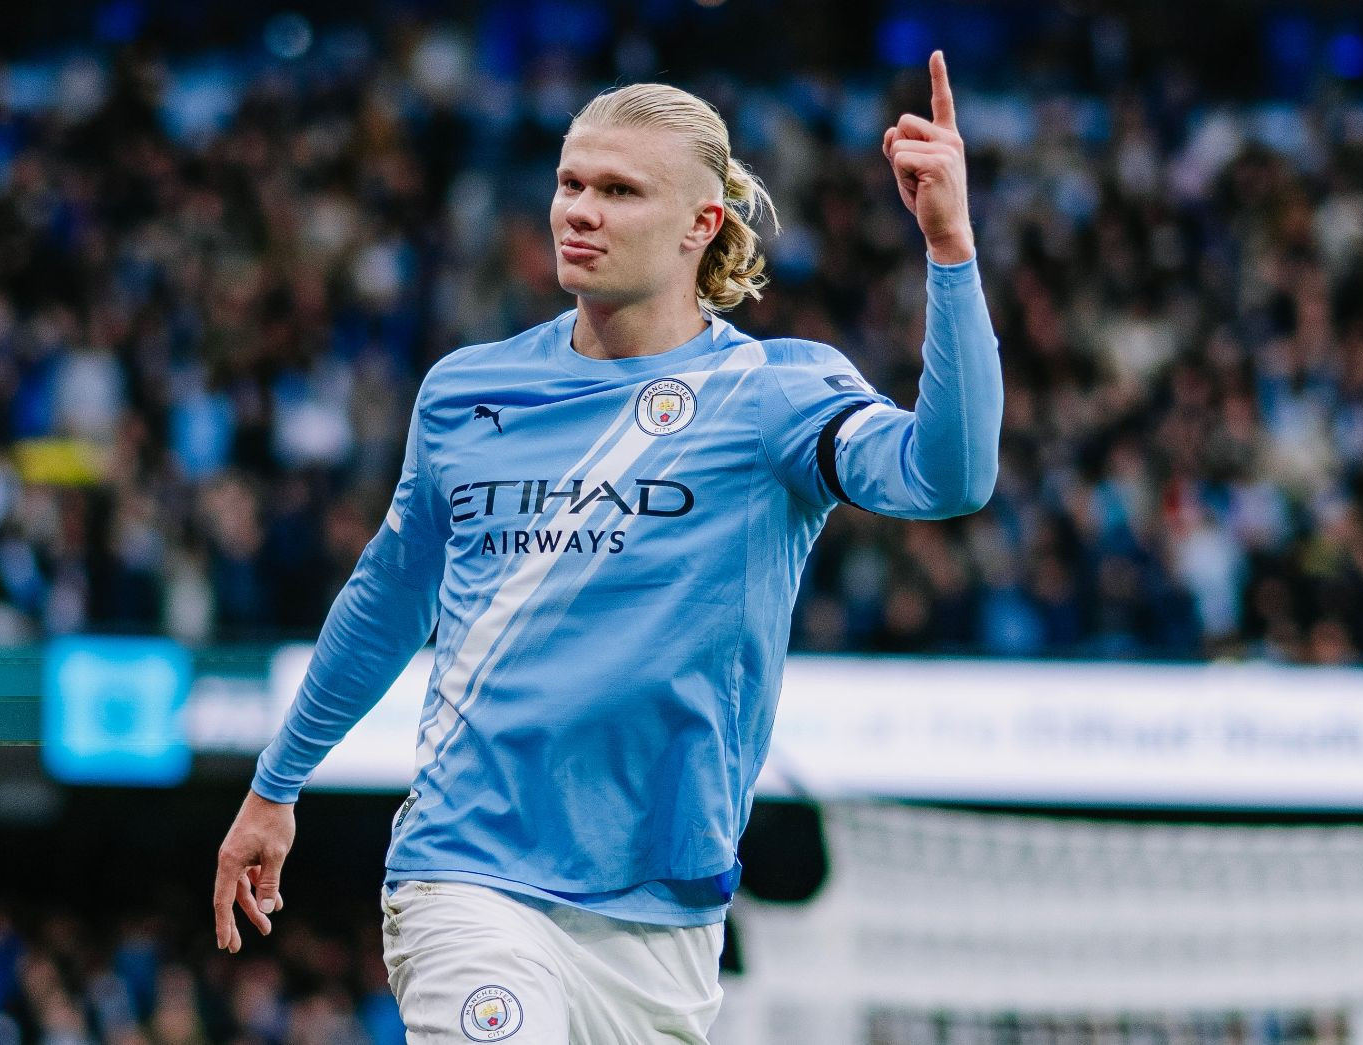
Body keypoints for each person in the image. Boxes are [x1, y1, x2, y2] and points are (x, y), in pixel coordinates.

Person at [214, 50, 1001, 1043]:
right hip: (469, 873)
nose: (578, 211)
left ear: (699, 225)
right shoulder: (466, 391)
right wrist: (276, 782)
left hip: (663, 915)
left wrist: (949, 250)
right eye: (569, 183)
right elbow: (387, 599)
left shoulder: (776, 395)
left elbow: (949, 477)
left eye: (619, 191)